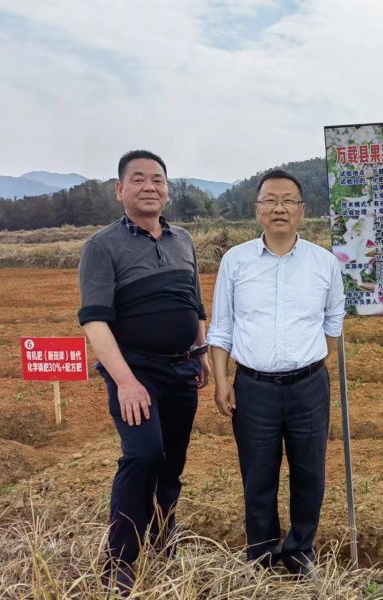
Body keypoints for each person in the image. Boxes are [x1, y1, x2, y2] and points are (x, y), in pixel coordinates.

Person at [77, 150, 210, 590]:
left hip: (181, 371)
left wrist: (201, 350)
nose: (149, 186)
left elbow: (194, 302)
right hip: (135, 371)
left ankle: (162, 533)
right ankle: (120, 560)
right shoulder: (101, 246)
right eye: (138, 179)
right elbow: (96, 321)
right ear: (120, 190)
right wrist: (126, 381)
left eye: (157, 179)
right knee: (143, 454)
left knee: (172, 461)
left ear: (168, 189)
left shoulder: (183, 240)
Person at [206, 168, 345, 574]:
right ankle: (262, 555)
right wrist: (221, 381)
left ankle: (300, 551)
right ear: (257, 209)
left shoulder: (324, 263)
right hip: (253, 387)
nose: (279, 208)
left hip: (308, 386)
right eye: (270, 200)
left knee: (309, 475)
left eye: (288, 200)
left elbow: (332, 327)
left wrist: (312, 367)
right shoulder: (236, 261)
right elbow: (222, 327)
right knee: (258, 476)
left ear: (302, 210)